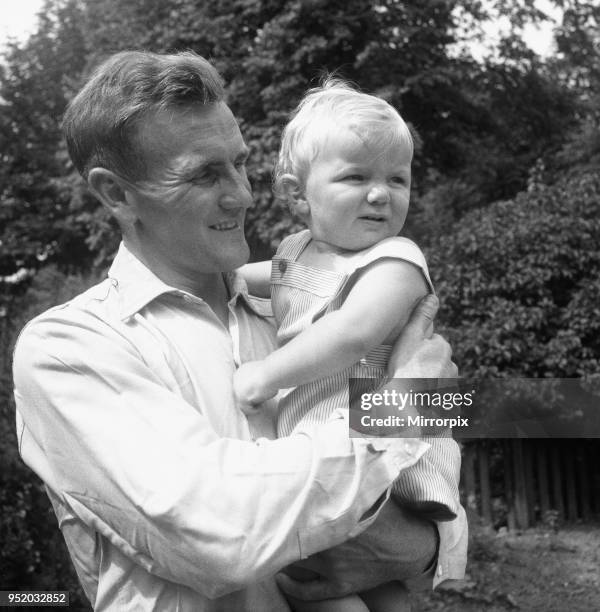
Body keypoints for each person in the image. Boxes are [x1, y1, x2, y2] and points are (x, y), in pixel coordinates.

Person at [12, 50, 467, 612]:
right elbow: (224, 533)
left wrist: (424, 547)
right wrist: (403, 412)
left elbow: (442, 445)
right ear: (116, 193)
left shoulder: (310, 306)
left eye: (240, 163)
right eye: (204, 174)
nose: (244, 195)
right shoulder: (69, 347)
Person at [233, 79, 460, 611]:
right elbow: (280, 277)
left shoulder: (397, 262)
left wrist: (266, 375)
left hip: (372, 438)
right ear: (296, 192)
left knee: (344, 584)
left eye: (397, 180)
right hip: (322, 431)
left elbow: (353, 330)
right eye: (356, 177)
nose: (381, 194)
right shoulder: (297, 250)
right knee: (348, 585)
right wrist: (229, 277)